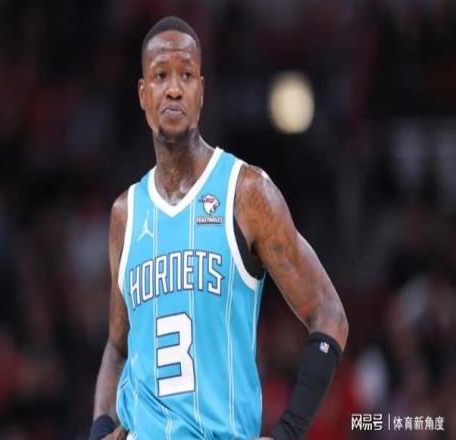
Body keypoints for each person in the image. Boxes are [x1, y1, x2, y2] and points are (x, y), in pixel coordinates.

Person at [89, 16, 348, 440]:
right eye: (160, 76)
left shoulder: (246, 193)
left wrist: (287, 432)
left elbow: (330, 314)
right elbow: (117, 347)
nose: (174, 89)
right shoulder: (126, 213)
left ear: (202, 91)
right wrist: (100, 430)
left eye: (186, 75)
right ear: (143, 94)